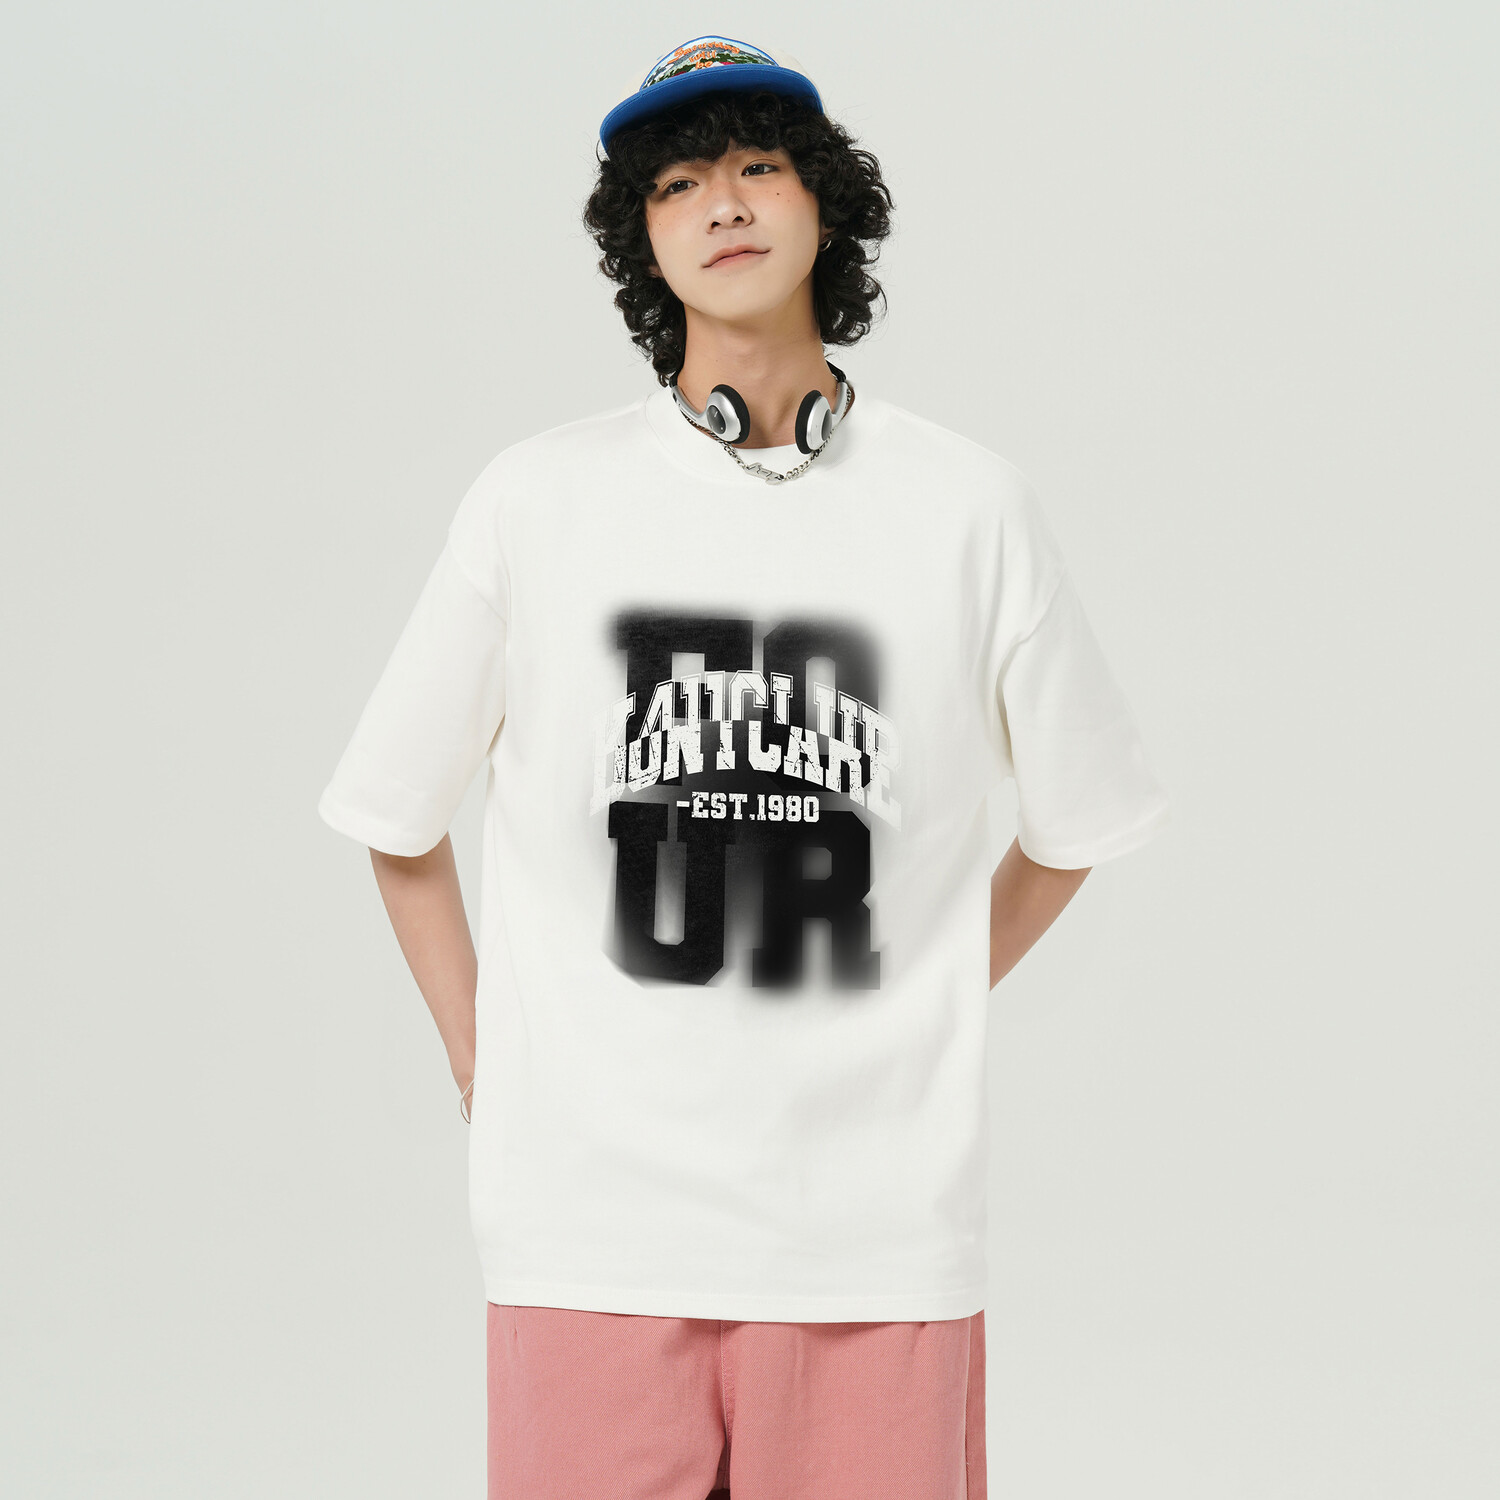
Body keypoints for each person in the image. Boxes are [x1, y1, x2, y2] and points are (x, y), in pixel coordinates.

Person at [317, 33, 1170, 1500]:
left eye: (759, 167)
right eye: (678, 184)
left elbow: (1077, 824)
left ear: (823, 202)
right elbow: (396, 818)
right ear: (642, 241)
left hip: (876, 1237)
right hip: (589, 1235)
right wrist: (484, 1056)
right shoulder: (537, 501)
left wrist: (927, 978)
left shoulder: (969, 508)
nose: (722, 203)